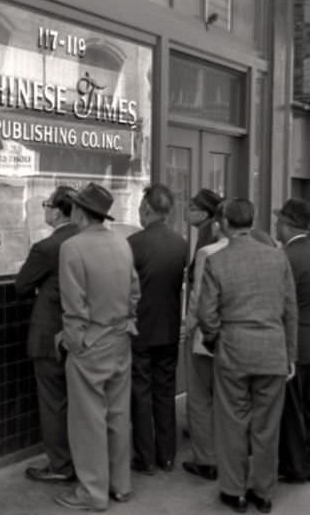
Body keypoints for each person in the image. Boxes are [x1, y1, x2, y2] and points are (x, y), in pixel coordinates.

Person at [198, 198, 297, 513]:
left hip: (233, 351)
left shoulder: (217, 262)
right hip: (273, 351)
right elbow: (290, 310)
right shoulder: (278, 258)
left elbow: (206, 314)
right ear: (252, 222)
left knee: (232, 423)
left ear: (225, 223)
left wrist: (215, 340)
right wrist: (290, 354)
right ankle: (263, 492)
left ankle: (234, 491)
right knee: (267, 426)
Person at [54, 183, 141, 512]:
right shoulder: (122, 242)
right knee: (118, 414)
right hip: (121, 337)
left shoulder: (72, 247)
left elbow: (73, 306)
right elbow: (134, 291)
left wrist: (73, 342)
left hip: (90, 342)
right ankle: (121, 485)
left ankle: (92, 492)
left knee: (87, 420)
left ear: (79, 211)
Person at [14, 186, 79, 483]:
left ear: (59, 210)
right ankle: (80, 459)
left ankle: (60, 465)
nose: (45, 209)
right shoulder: (84, 240)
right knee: (77, 401)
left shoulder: (47, 247)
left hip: (50, 333)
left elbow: (22, 285)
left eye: (47, 204)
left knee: (53, 402)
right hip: (81, 333)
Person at [127, 184, 188, 475]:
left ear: (147, 209)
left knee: (140, 393)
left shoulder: (133, 243)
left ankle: (145, 457)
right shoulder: (181, 244)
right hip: (169, 328)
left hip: (141, 329)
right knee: (165, 392)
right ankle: (167, 455)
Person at [274, 198, 310, 484]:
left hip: (294, 347)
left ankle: (295, 467)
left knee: (292, 410)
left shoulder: (286, 257)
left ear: (286, 224)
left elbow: (278, 305)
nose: (275, 224)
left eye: (278, 220)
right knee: (306, 406)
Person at [182, 204, 229, 482]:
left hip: (205, 337)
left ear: (218, 224)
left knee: (200, 398)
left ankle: (205, 459)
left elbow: (198, 297)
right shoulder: (260, 251)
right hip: (233, 338)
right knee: (228, 399)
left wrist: (188, 327)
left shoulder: (207, 253)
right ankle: (228, 455)